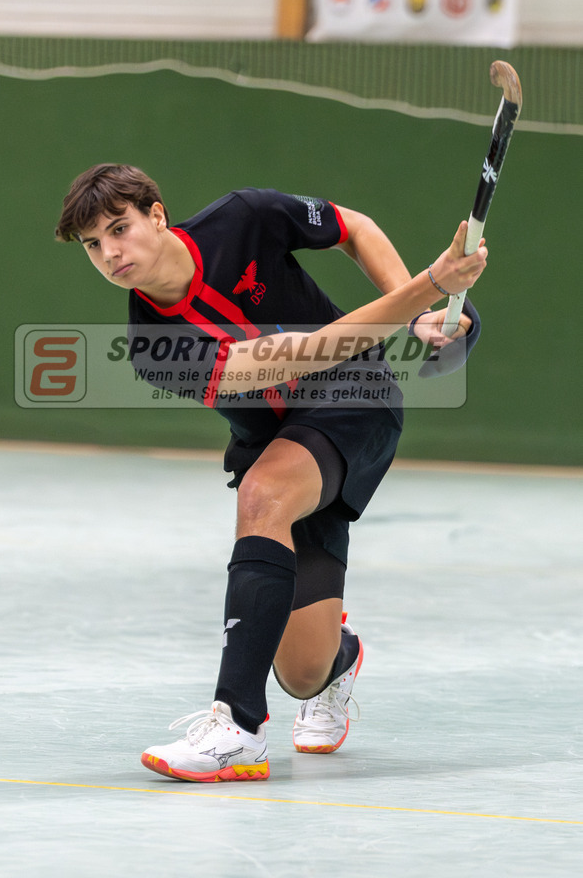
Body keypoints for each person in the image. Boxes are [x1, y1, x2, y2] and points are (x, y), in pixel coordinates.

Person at [55, 163, 486, 783]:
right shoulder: (151, 345)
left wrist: (420, 309)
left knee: (263, 494)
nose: (110, 252)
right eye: (93, 244)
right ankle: (341, 658)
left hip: (356, 398)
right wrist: (426, 289)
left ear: (156, 214)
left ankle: (236, 727)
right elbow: (297, 356)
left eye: (119, 228)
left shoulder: (245, 217)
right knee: (302, 671)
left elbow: (353, 228)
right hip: (275, 435)